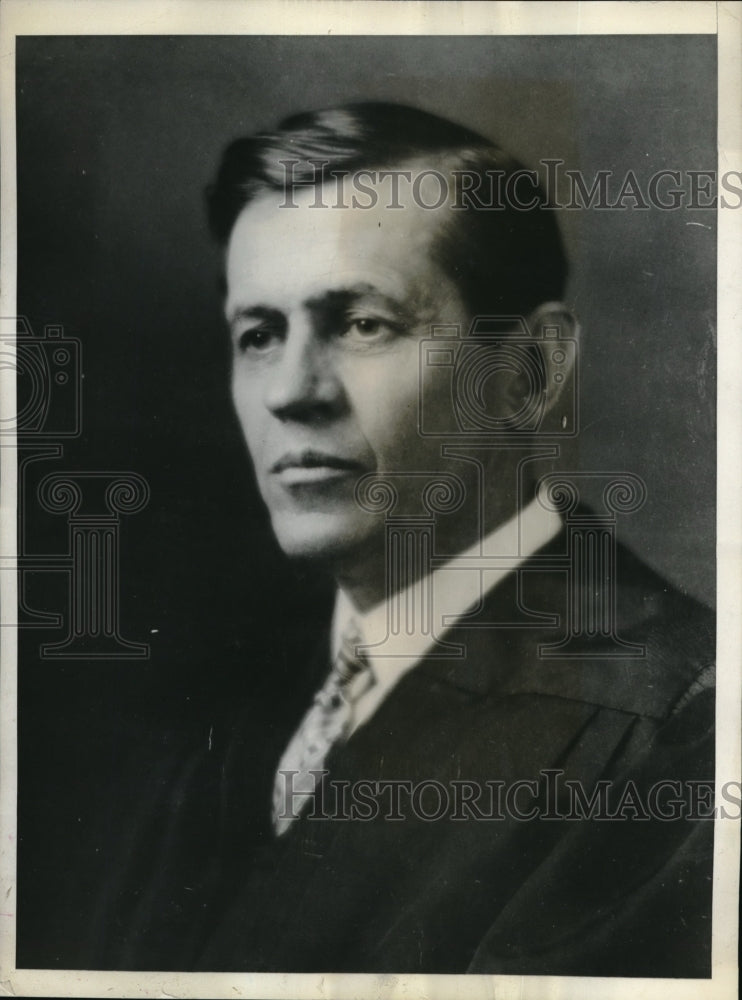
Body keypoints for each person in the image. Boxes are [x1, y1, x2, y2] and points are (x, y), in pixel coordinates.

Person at [87, 103, 715, 975]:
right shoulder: (233, 697)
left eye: (362, 323)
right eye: (259, 334)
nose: (290, 393)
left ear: (527, 373)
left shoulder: (680, 735)